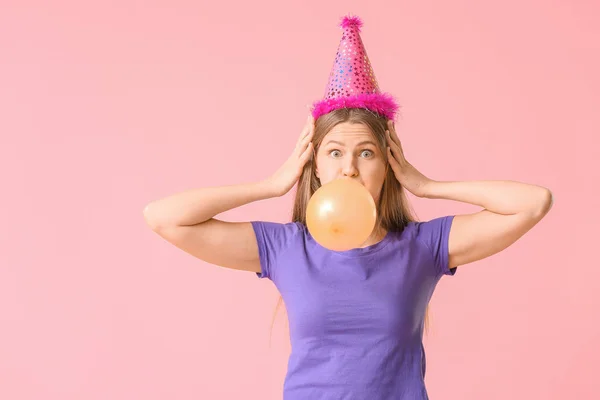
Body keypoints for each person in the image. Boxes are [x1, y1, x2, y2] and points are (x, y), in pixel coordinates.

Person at [143, 14, 554, 400]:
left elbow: (533, 203)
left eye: (367, 153)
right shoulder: (285, 248)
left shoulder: (423, 246)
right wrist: (270, 185)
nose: (350, 169)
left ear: (387, 164)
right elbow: (163, 218)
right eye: (335, 152)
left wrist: (427, 185)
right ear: (315, 165)